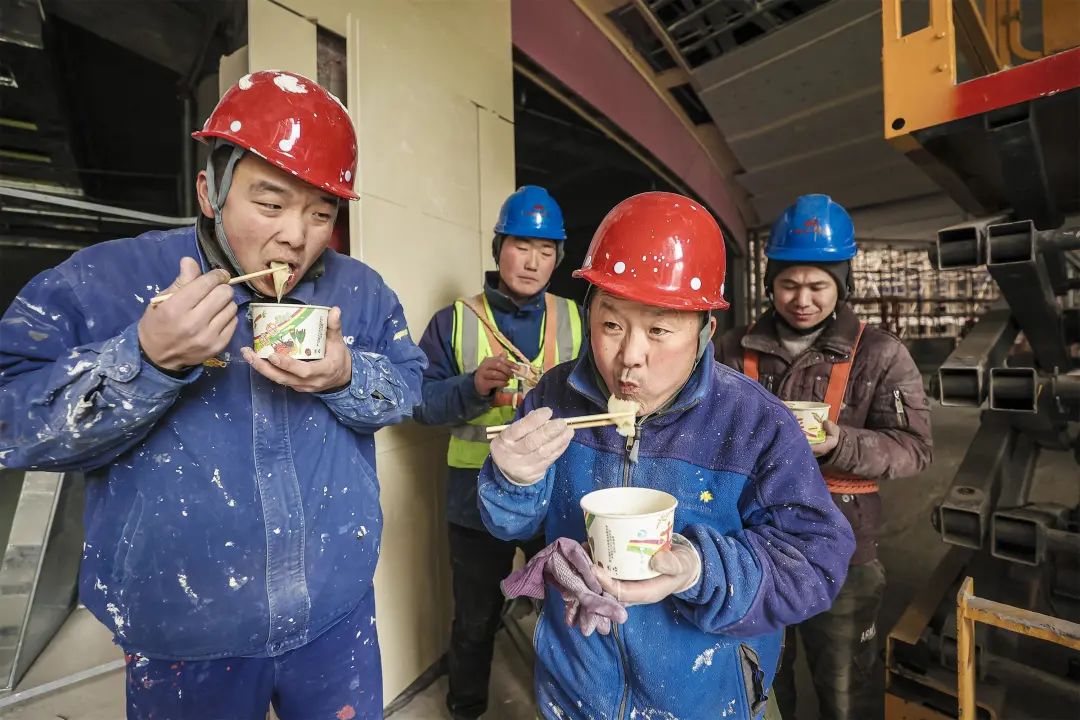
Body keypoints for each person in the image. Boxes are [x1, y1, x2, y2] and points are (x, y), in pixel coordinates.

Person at [0, 70, 426, 720]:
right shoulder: (108, 281)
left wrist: (347, 375)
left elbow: (409, 386)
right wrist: (143, 359)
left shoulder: (358, 289)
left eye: (321, 211)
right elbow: (10, 418)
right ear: (210, 191)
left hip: (334, 617)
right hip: (183, 631)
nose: (297, 236)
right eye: (270, 203)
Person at [476, 191, 855, 720]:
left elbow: (816, 561)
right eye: (611, 325)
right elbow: (512, 525)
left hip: (705, 695)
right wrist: (511, 482)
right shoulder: (553, 397)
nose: (629, 357)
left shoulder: (754, 422)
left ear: (705, 331)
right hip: (574, 685)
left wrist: (698, 568)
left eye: (658, 329)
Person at [717, 193, 933, 720]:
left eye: (818, 285)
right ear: (770, 284)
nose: (802, 299)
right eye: (789, 284)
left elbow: (915, 450)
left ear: (842, 284)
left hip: (843, 553)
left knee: (845, 689)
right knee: (760, 684)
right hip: (748, 546)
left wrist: (840, 444)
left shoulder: (881, 355)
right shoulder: (728, 350)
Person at [413, 185, 583, 719]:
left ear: (558, 257)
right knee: (475, 620)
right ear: (498, 247)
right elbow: (420, 405)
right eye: (520, 245)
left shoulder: (578, 319)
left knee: (567, 615)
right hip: (474, 504)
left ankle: (564, 707)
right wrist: (471, 387)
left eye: (546, 250)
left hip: (556, 495)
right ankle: (466, 710)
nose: (532, 261)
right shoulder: (455, 320)